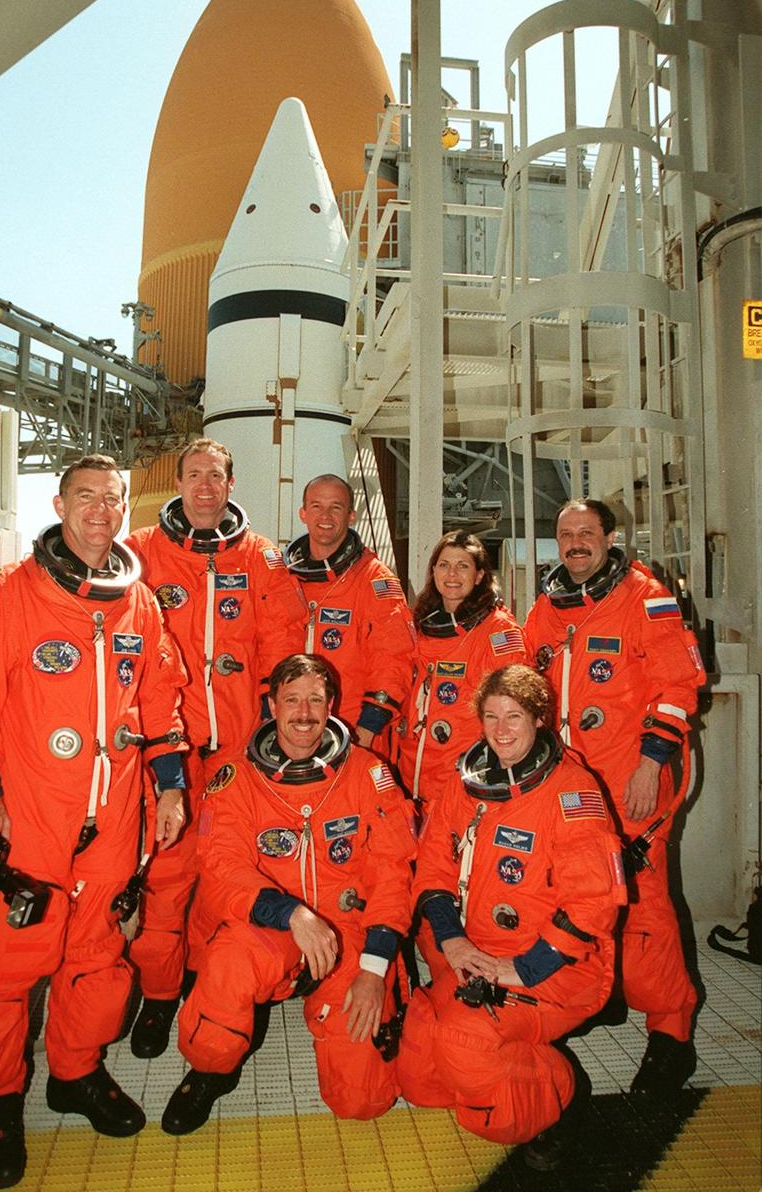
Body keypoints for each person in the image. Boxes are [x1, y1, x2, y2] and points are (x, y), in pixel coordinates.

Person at [0, 455, 188, 1191]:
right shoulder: (11, 592)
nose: (101, 510)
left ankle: (75, 1074)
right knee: (9, 965)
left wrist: (172, 787)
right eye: (86, 496)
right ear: (59, 504)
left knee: (99, 953)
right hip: (33, 816)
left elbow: (160, 700)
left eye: (112, 498)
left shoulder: (140, 604)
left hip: (114, 818)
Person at [160, 653, 417, 1135]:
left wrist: (375, 968)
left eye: (315, 700)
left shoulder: (368, 773)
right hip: (272, 930)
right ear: (272, 706)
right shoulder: (236, 776)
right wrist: (292, 914)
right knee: (226, 977)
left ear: (332, 706)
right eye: (292, 700)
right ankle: (212, 1069)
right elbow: (222, 866)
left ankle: (374, 1006)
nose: (304, 713)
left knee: (362, 1098)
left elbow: (393, 874)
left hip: (347, 934)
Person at [398, 665, 625, 1169]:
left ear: (539, 719)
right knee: (420, 1073)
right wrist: (452, 940)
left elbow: (594, 904)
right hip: (476, 951)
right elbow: (432, 865)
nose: (501, 730)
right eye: (491, 716)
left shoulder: (572, 793)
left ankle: (563, 1092)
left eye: (515, 716)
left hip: (557, 966)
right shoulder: (465, 782)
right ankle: (500, 1065)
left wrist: (524, 969)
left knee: (467, 1049)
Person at [126, 438, 306, 1059]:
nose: (205, 486)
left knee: (228, 870)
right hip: (169, 747)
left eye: (216, 476)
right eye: (194, 475)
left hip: (236, 748)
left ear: (232, 484)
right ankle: (158, 994)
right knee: (166, 874)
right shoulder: (141, 552)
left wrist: (270, 727)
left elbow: (283, 643)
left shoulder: (262, 558)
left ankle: (212, 990)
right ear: (178, 483)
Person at [524, 498, 706, 1097]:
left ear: (608, 538)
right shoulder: (548, 607)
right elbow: (527, 680)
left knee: (643, 906)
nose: (576, 543)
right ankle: (604, 992)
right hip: (570, 787)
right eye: (566, 534)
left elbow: (678, 686)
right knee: (578, 895)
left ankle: (672, 1035)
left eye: (587, 532)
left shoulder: (645, 598)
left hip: (631, 781)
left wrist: (652, 764)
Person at [285, 474, 415, 752]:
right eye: (317, 506)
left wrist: (367, 728)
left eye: (336, 507)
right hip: (293, 727)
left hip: (353, 729)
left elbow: (394, 657)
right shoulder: (283, 578)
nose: (326, 516)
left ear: (351, 516)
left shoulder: (374, 579)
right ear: (303, 513)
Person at [398, 530, 527, 807]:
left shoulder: (498, 631)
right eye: (444, 565)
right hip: (413, 771)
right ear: (433, 571)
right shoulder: (419, 624)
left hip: (463, 774)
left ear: (479, 575)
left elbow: (512, 706)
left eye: (463, 566)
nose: (452, 574)